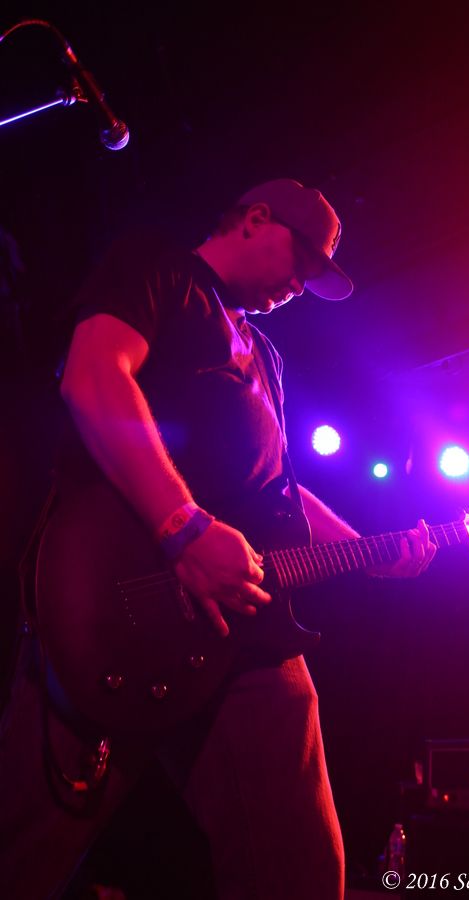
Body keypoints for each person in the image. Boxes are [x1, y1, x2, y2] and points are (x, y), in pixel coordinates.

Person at [0, 178, 436, 899]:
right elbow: (93, 375)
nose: (299, 286)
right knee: (21, 854)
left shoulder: (266, 355)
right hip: (111, 610)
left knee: (300, 873)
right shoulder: (158, 269)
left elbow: (279, 494)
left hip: (246, 636)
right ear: (255, 219)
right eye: (301, 260)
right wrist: (183, 528)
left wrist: (371, 551)